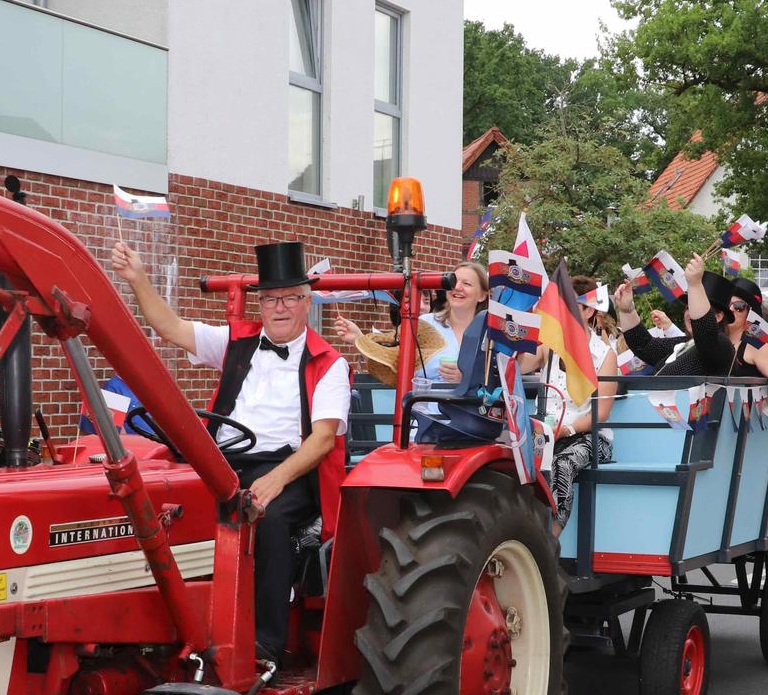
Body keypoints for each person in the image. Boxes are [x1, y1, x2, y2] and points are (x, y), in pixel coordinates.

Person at [112, 239, 350, 667]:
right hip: (224, 461)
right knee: (165, 507)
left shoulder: (330, 363)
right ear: (260, 305)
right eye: (270, 299)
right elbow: (170, 327)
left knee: (270, 519)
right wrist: (139, 281)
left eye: (290, 299)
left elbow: (322, 440)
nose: (279, 308)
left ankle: (264, 645)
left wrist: (277, 479)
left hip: (290, 470)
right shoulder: (236, 343)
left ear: (306, 303)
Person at [543, 275, 621, 535]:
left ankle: (552, 537)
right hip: (546, 433)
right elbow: (522, 363)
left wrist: (566, 430)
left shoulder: (604, 354)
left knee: (562, 464)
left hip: (590, 436)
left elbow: (601, 413)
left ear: (588, 310)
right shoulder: (550, 346)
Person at [332, 260, 488, 388]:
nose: (457, 287)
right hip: (425, 417)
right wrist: (358, 339)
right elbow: (393, 362)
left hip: (472, 418)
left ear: (482, 295)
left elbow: (504, 378)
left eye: (467, 283)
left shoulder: (491, 333)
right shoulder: (424, 324)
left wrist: (468, 378)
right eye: (453, 281)